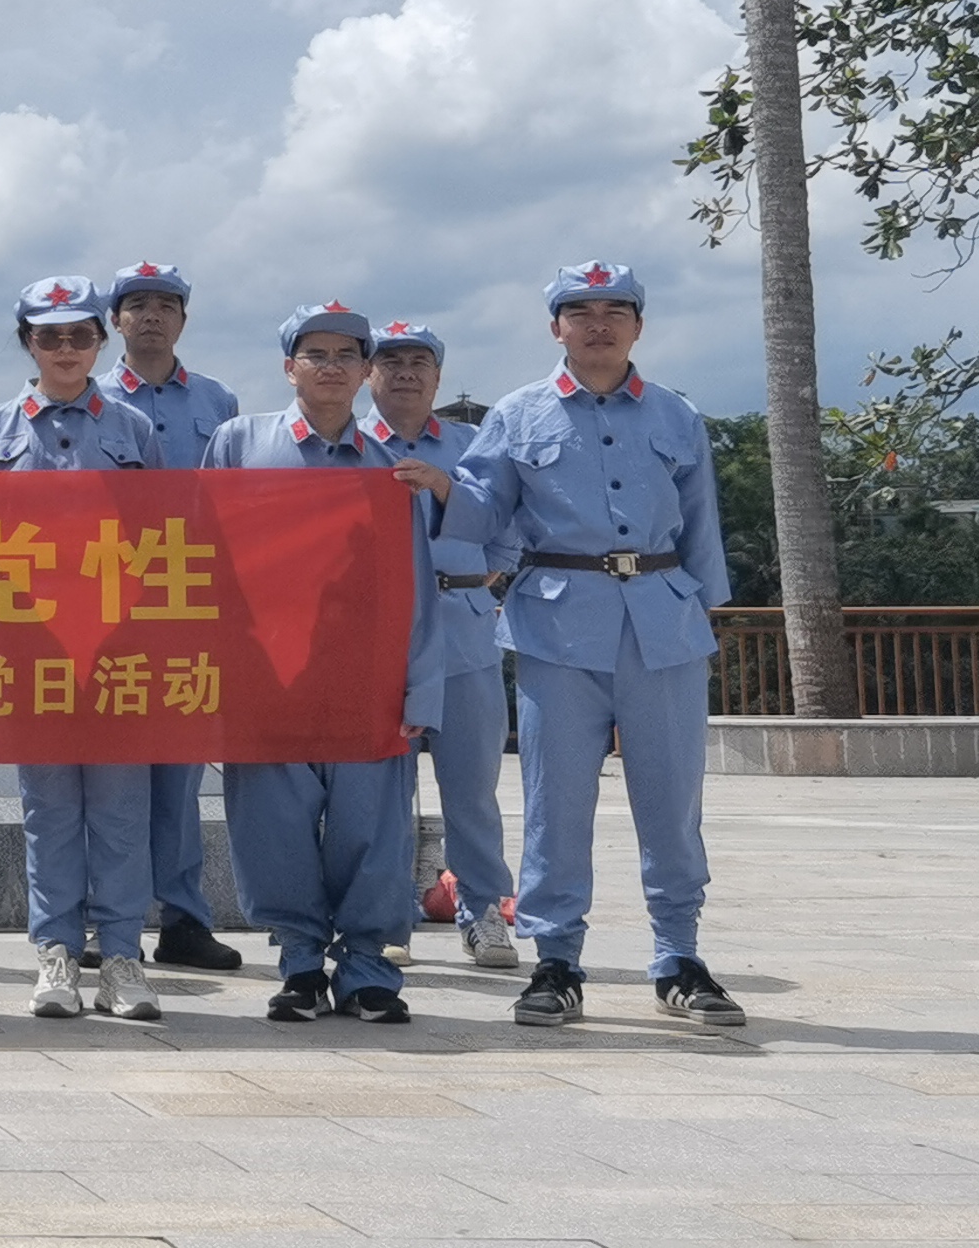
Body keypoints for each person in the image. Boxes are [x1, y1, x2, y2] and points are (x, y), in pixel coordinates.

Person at [445, 264, 745, 1030]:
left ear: (639, 326)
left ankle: (679, 954)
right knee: (557, 800)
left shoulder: (677, 415)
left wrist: (710, 605)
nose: (600, 324)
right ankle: (556, 959)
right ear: (556, 328)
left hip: (664, 620)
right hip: (557, 622)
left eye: (617, 311)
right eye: (581, 312)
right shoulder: (516, 415)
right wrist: (440, 500)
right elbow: (480, 510)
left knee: (672, 797)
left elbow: (699, 517)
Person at [209, 305, 433, 1028]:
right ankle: (301, 962)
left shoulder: (391, 466)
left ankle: (368, 968)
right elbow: (205, 562)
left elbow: (418, 585)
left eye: (346, 354)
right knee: (272, 828)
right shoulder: (240, 443)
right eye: (315, 353)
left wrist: (419, 682)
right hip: (268, 674)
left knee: (372, 831)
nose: (331, 365)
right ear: (289, 367)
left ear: (368, 371)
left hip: (366, 679)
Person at [0, 276, 168, 1023]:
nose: (65, 348)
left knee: (120, 807)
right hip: (31, 650)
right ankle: (54, 952)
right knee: (48, 806)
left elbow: (160, 540)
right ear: (28, 342)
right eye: (49, 336)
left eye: (80, 336)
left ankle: (121, 955)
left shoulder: (133, 429)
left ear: (102, 341)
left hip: (116, 643)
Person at [103, 261, 246, 976]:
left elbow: (241, 509)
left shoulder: (219, 403)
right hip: (103, 613)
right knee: (107, 772)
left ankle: (184, 917)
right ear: (115, 321)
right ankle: (108, 915)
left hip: (188, 608)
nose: (152, 316)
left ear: (184, 320)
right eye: (137, 305)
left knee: (180, 777)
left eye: (166, 305)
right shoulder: (89, 401)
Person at [365, 319, 516, 968]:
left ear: (437, 375)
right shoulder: (346, 446)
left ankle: (483, 911)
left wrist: (476, 579)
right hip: (373, 639)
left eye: (418, 361)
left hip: (462, 629)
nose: (404, 371)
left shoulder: (474, 444)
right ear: (369, 372)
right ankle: (384, 915)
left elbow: (510, 526)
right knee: (378, 790)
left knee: (472, 787)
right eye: (389, 360)